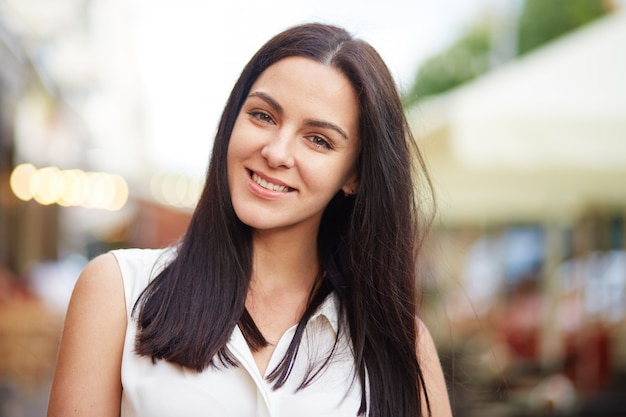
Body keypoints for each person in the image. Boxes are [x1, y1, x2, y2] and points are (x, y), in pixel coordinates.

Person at [47, 23, 452, 417]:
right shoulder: (117, 291)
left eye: (318, 140)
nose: (276, 152)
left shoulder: (404, 348)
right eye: (263, 116)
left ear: (355, 175)